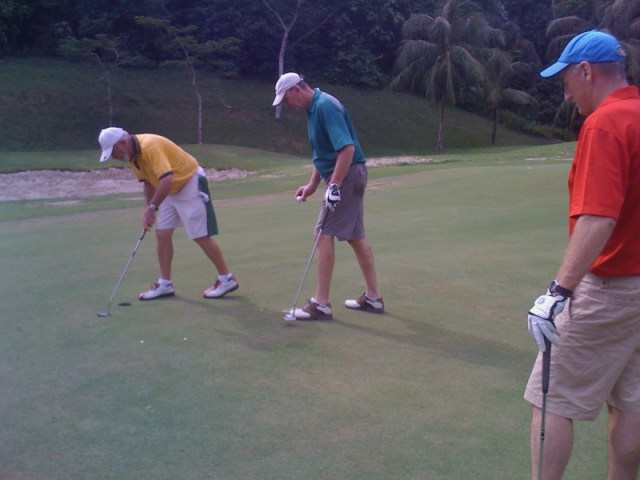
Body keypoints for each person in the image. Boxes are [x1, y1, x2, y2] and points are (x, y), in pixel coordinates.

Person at [525, 30, 640, 480]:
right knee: (631, 402)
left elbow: (597, 218)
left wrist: (558, 292)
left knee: (551, 398)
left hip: (610, 287)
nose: (566, 93)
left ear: (587, 71)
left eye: (567, 81)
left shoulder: (606, 123)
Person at [273, 72, 383, 320]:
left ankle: (321, 304)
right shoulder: (314, 110)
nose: (287, 105)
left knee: (322, 234)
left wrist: (333, 186)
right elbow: (323, 153)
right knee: (356, 236)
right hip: (347, 175)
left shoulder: (325, 106)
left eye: (286, 99)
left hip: (347, 175)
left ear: (296, 89)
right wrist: (313, 184)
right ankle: (373, 298)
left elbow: (347, 149)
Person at [97, 127, 239, 301]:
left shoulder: (150, 145)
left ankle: (227, 279)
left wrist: (152, 208)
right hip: (169, 189)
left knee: (199, 235)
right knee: (162, 234)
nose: (114, 157)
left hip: (189, 182)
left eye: (113, 152)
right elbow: (148, 183)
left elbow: (166, 179)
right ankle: (165, 284)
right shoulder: (132, 157)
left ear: (123, 143)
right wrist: (147, 210)